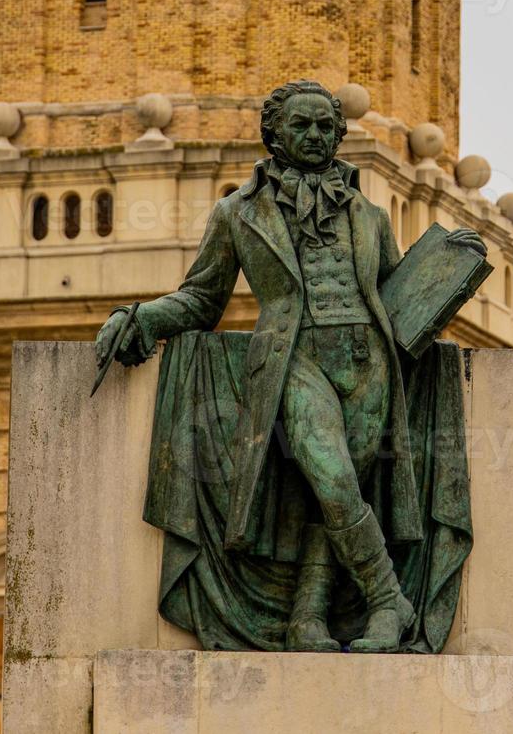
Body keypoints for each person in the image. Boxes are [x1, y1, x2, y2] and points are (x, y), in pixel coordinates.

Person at [98, 80, 485, 652]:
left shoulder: (370, 215)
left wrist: (451, 262)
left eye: (325, 126)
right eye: (301, 126)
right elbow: (204, 299)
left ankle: (308, 617)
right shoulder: (238, 213)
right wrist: (143, 319)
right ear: (273, 133)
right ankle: (386, 599)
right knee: (329, 474)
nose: (314, 136)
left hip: (367, 360)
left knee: (336, 490)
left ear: (338, 134)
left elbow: (398, 297)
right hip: (293, 359)